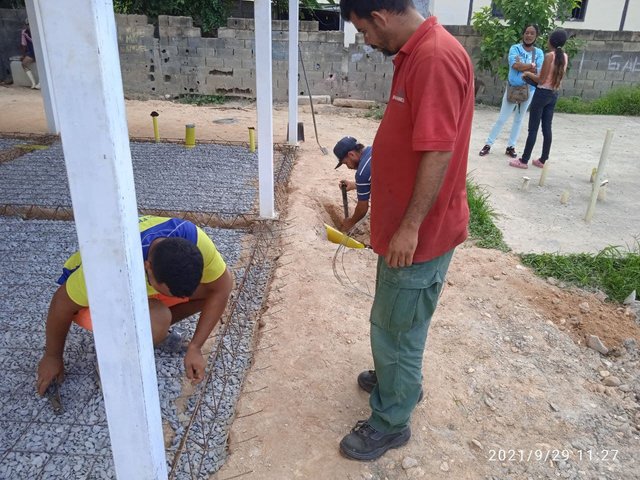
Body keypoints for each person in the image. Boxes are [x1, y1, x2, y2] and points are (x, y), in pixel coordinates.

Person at [338, 0, 474, 461]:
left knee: (397, 329)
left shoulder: (434, 57)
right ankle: (397, 378)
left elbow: (438, 151)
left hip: (418, 232)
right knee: (397, 315)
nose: (367, 42)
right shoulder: (415, 53)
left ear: (378, 18)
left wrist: (410, 226)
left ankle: (391, 420)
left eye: (364, 32)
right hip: (405, 227)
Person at [36, 215, 234, 396]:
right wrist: (52, 356)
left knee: (208, 292)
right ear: (147, 267)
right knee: (157, 318)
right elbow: (61, 303)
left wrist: (195, 347)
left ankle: (150, 334)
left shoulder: (194, 239)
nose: (181, 297)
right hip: (94, 303)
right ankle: (113, 358)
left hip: (140, 286)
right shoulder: (108, 267)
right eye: (170, 292)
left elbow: (223, 287)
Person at [478, 25, 544, 159]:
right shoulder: (515, 48)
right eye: (526, 32)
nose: (529, 35)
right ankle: (488, 144)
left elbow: (538, 70)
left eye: (532, 33)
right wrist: (530, 66)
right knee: (502, 118)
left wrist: (526, 67)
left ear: (536, 36)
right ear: (523, 34)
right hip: (513, 89)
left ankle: (511, 146)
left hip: (528, 90)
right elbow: (515, 65)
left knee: (519, 120)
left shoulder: (539, 53)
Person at [510, 29, 569, 169]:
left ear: (551, 41)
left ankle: (524, 160)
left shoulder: (549, 56)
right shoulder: (565, 56)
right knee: (547, 127)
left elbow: (541, 80)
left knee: (533, 129)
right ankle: (543, 159)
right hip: (553, 94)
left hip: (542, 94)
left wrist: (527, 74)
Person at [333, 136, 372, 232]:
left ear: (351, 155)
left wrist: (350, 222)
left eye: (346, 163)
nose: (348, 167)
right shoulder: (372, 150)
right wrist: (354, 185)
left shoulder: (362, 172)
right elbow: (374, 179)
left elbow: (362, 208)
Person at [20, 19, 40, 90]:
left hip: (41, 52)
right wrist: (23, 55)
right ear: (26, 25)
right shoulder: (24, 32)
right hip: (32, 52)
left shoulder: (40, 30)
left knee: (42, 66)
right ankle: (33, 83)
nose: (30, 26)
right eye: (28, 24)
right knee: (24, 63)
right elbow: (24, 44)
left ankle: (40, 83)